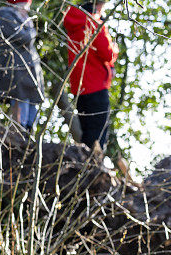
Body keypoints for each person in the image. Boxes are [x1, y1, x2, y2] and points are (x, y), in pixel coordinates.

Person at [63, 0, 118, 151]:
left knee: (87, 131)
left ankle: (85, 166)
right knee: (97, 135)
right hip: (96, 85)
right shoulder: (94, 22)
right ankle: (93, 169)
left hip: (79, 86)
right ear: (100, 5)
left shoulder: (74, 19)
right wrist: (115, 48)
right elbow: (108, 53)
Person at [0, 0, 45, 131]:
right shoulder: (5, 15)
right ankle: (19, 136)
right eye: (26, 7)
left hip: (30, 72)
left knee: (31, 113)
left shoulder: (22, 19)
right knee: (19, 109)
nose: (27, 11)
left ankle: (29, 137)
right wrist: (31, 29)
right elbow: (24, 38)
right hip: (16, 71)